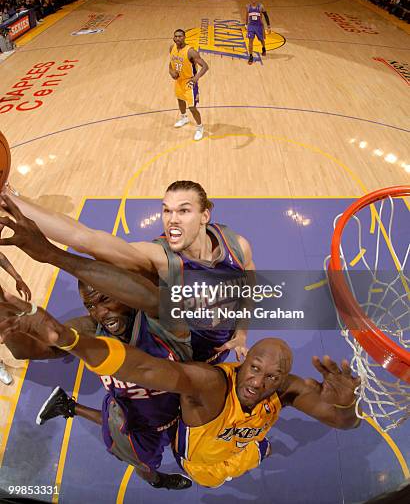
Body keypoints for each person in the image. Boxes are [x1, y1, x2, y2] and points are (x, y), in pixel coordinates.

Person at [0, 295, 362, 489]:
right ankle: (150, 474)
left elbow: (345, 423)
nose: (259, 382)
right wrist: (66, 339)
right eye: (254, 369)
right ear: (242, 359)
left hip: (220, 435)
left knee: (254, 448)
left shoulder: (283, 388)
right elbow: (144, 368)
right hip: (162, 432)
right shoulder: (210, 383)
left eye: (272, 376)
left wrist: (346, 405)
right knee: (143, 461)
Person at [0, 180, 250, 362]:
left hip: (216, 354)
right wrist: (8, 201)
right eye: (166, 210)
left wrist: (240, 334)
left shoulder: (236, 247)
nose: (172, 219)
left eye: (183, 210)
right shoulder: (159, 258)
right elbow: (83, 238)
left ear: (204, 215)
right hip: (177, 357)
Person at [1, 280, 191, 490]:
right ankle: (158, 481)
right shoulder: (90, 329)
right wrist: (3, 314)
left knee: (193, 447)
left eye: (105, 299)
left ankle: (68, 406)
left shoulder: (156, 316)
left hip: (182, 406)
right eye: (90, 306)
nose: (100, 312)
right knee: (143, 465)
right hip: (134, 418)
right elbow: (26, 351)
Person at [169, 30, 208, 141]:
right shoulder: (172, 48)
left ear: (184, 37)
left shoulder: (191, 52)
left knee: (192, 107)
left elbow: (205, 66)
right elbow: (170, 63)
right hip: (178, 81)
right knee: (180, 100)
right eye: (175, 36)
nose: (177, 38)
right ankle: (183, 118)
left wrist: (196, 78)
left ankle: (200, 127)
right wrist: (170, 71)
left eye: (180, 36)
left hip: (189, 82)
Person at [245, 0, 271, 65]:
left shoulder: (261, 6)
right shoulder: (247, 7)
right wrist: (246, 24)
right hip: (251, 26)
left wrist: (268, 26)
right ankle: (250, 56)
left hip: (259, 26)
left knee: (262, 40)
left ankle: (263, 48)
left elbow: (266, 16)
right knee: (250, 41)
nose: (253, 0)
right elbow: (246, 16)